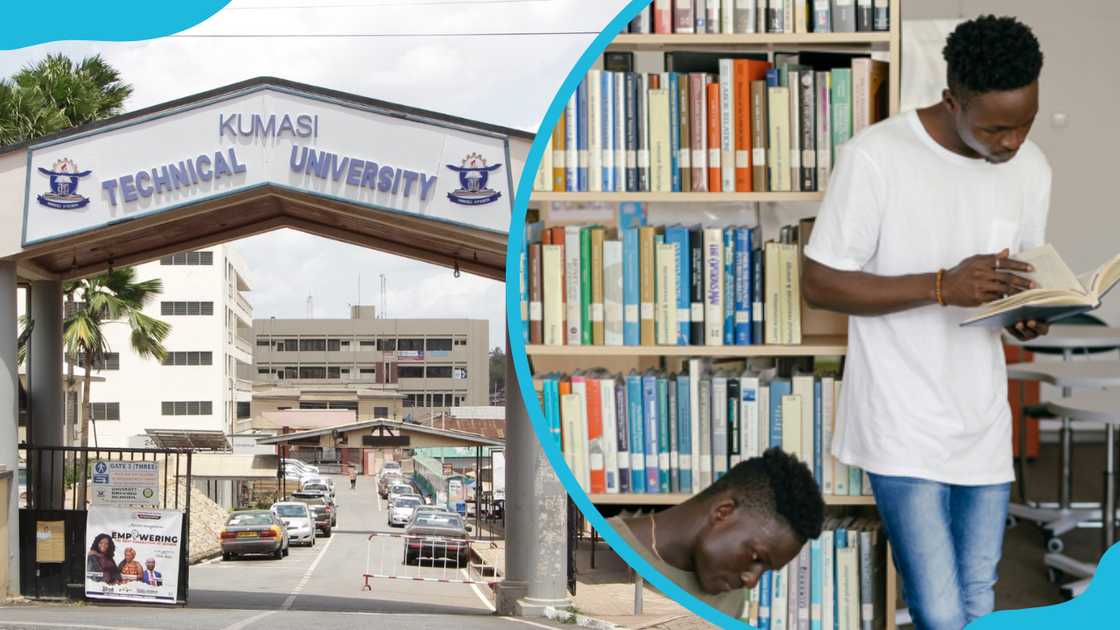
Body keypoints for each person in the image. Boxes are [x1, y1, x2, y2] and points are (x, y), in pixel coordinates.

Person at [801, 15, 1050, 630]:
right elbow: (819, 283)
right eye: (996, 128)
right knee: (940, 609)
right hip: (899, 420)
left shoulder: (1032, 167)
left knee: (979, 598)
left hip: (982, 419)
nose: (1013, 142)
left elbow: (1020, 275)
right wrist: (941, 285)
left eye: (1025, 124)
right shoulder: (877, 158)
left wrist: (1025, 313)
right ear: (951, 101)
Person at [608, 449, 824, 618]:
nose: (751, 581)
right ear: (723, 512)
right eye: (756, 558)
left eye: (765, 570)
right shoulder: (605, 548)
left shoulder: (731, 597)